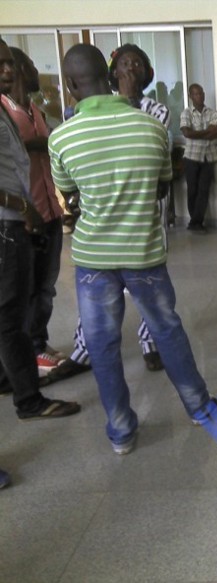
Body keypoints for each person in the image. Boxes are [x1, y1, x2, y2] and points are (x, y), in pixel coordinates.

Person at [48, 44, 217, 455]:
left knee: (103, 344)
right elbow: (162, 187)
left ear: (70, 85)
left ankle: (122, 431)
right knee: (167, 330)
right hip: (144, 253)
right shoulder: (151, 128)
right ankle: (200, 408)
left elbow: (69, 196)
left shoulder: (61, 137)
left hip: (92, 261)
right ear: (108, 78)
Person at [0, 38, 82, 428]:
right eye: (10, 64)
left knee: (40, 289)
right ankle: (29, 382)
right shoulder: (6, 111)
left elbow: (50, 147)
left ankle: (27, 357)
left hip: (41, 210)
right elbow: (44, 145)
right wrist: (21, 206)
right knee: (16, 304)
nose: (16, 70)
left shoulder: (32, 109)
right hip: (16, 218)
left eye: (14, 64)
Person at [1, 47, 66, 376]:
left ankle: (38, 341)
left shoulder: (35, 110)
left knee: (46, 285)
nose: (34, 72)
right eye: (28, 65)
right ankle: (30, 351)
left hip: (49, 208)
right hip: (24, 214)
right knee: (26, 289)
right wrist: (41, 145)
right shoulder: (5, 111)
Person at [180, 83, 217, 232]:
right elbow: (187, 133)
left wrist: (197, 132)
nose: (200, 96)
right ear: (191, 96)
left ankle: (197, 223)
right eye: (196, 94)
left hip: (208, 157)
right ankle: (194, 221)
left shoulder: (212, 113)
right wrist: (206, 131)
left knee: (204, 190)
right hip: (191, 157)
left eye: (201, 93)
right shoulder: (186, 113)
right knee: (192, 190)